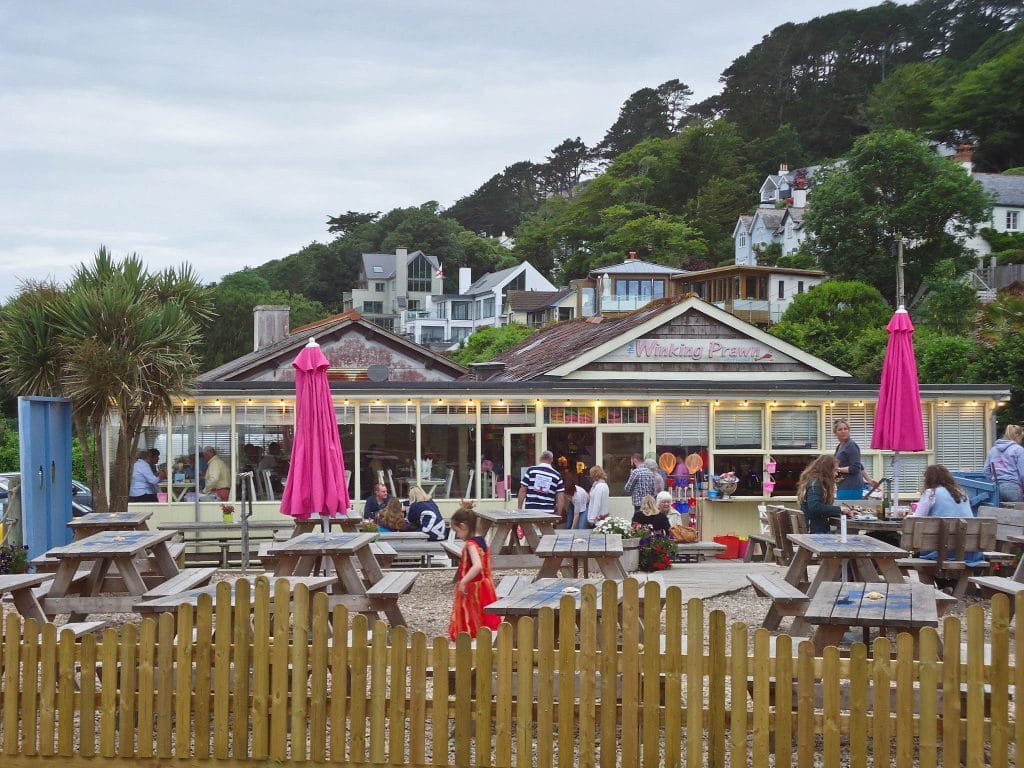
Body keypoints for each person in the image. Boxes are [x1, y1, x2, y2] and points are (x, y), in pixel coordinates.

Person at [910, 464, 985, 567]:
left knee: (916, 554)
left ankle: (931, 577)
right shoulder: (962, 494)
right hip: (969, 552)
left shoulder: (931, 493)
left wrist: (909, 515)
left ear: (928, 479)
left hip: (939, 551)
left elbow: (917, 519)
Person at [448, 502, 502, 641]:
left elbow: (477, 566)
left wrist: (463, 581)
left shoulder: (471, 544)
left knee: (473, 614)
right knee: (484, 616)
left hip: (474, 587)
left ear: (463, 526)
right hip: (485, 585)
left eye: (457, 531)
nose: (458, 535)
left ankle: (473, 640)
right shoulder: (482, 541)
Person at [797, 455, 848, 534]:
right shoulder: (816, 484)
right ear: (827, 470)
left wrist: (842, 511)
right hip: (815, 532)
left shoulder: (816, 482)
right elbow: (815, 506)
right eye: (835, 470)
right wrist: (839, 509)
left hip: (817, 529)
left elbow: (821, 509)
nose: (836, 474)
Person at [517, 450, 565, 518]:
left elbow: (523, 490)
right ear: (551, 460)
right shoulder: (557, 475)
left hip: (530, 512)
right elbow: (561, 497)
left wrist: (519, 509)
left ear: (540, 458)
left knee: (531, 526)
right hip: (547, 513)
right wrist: (558, 515)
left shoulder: (531, 471)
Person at [833, 419, 872, 500]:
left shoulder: (851, 445)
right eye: (840, 429)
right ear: (835, 433)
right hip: (842, 485)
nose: (843, 431)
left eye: (845, 429)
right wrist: (869, 480)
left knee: (846, 508)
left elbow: (856, 467)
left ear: (849, 430)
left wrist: (838, 469)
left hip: (851, 487)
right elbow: (860, 465)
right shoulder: (840, 446)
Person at [984, 424, 1024, 503]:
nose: (1021, 440)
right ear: (1017, 435)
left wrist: (993, 480)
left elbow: (986, 471)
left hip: (995, 488)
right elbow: (1023, 474)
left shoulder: (993, 450)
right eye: (1021, 438)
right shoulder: (1018, 450)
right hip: (1013, 487)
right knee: (1019, 510)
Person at [624, 453, 657, 518]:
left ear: (634, 460)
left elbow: (628, 488)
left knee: (637, 521)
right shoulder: (650, 472)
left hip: (638, 503)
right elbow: (654, 491)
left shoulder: (635, 472)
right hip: (649, 503)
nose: (631, 464)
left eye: (631, 461)